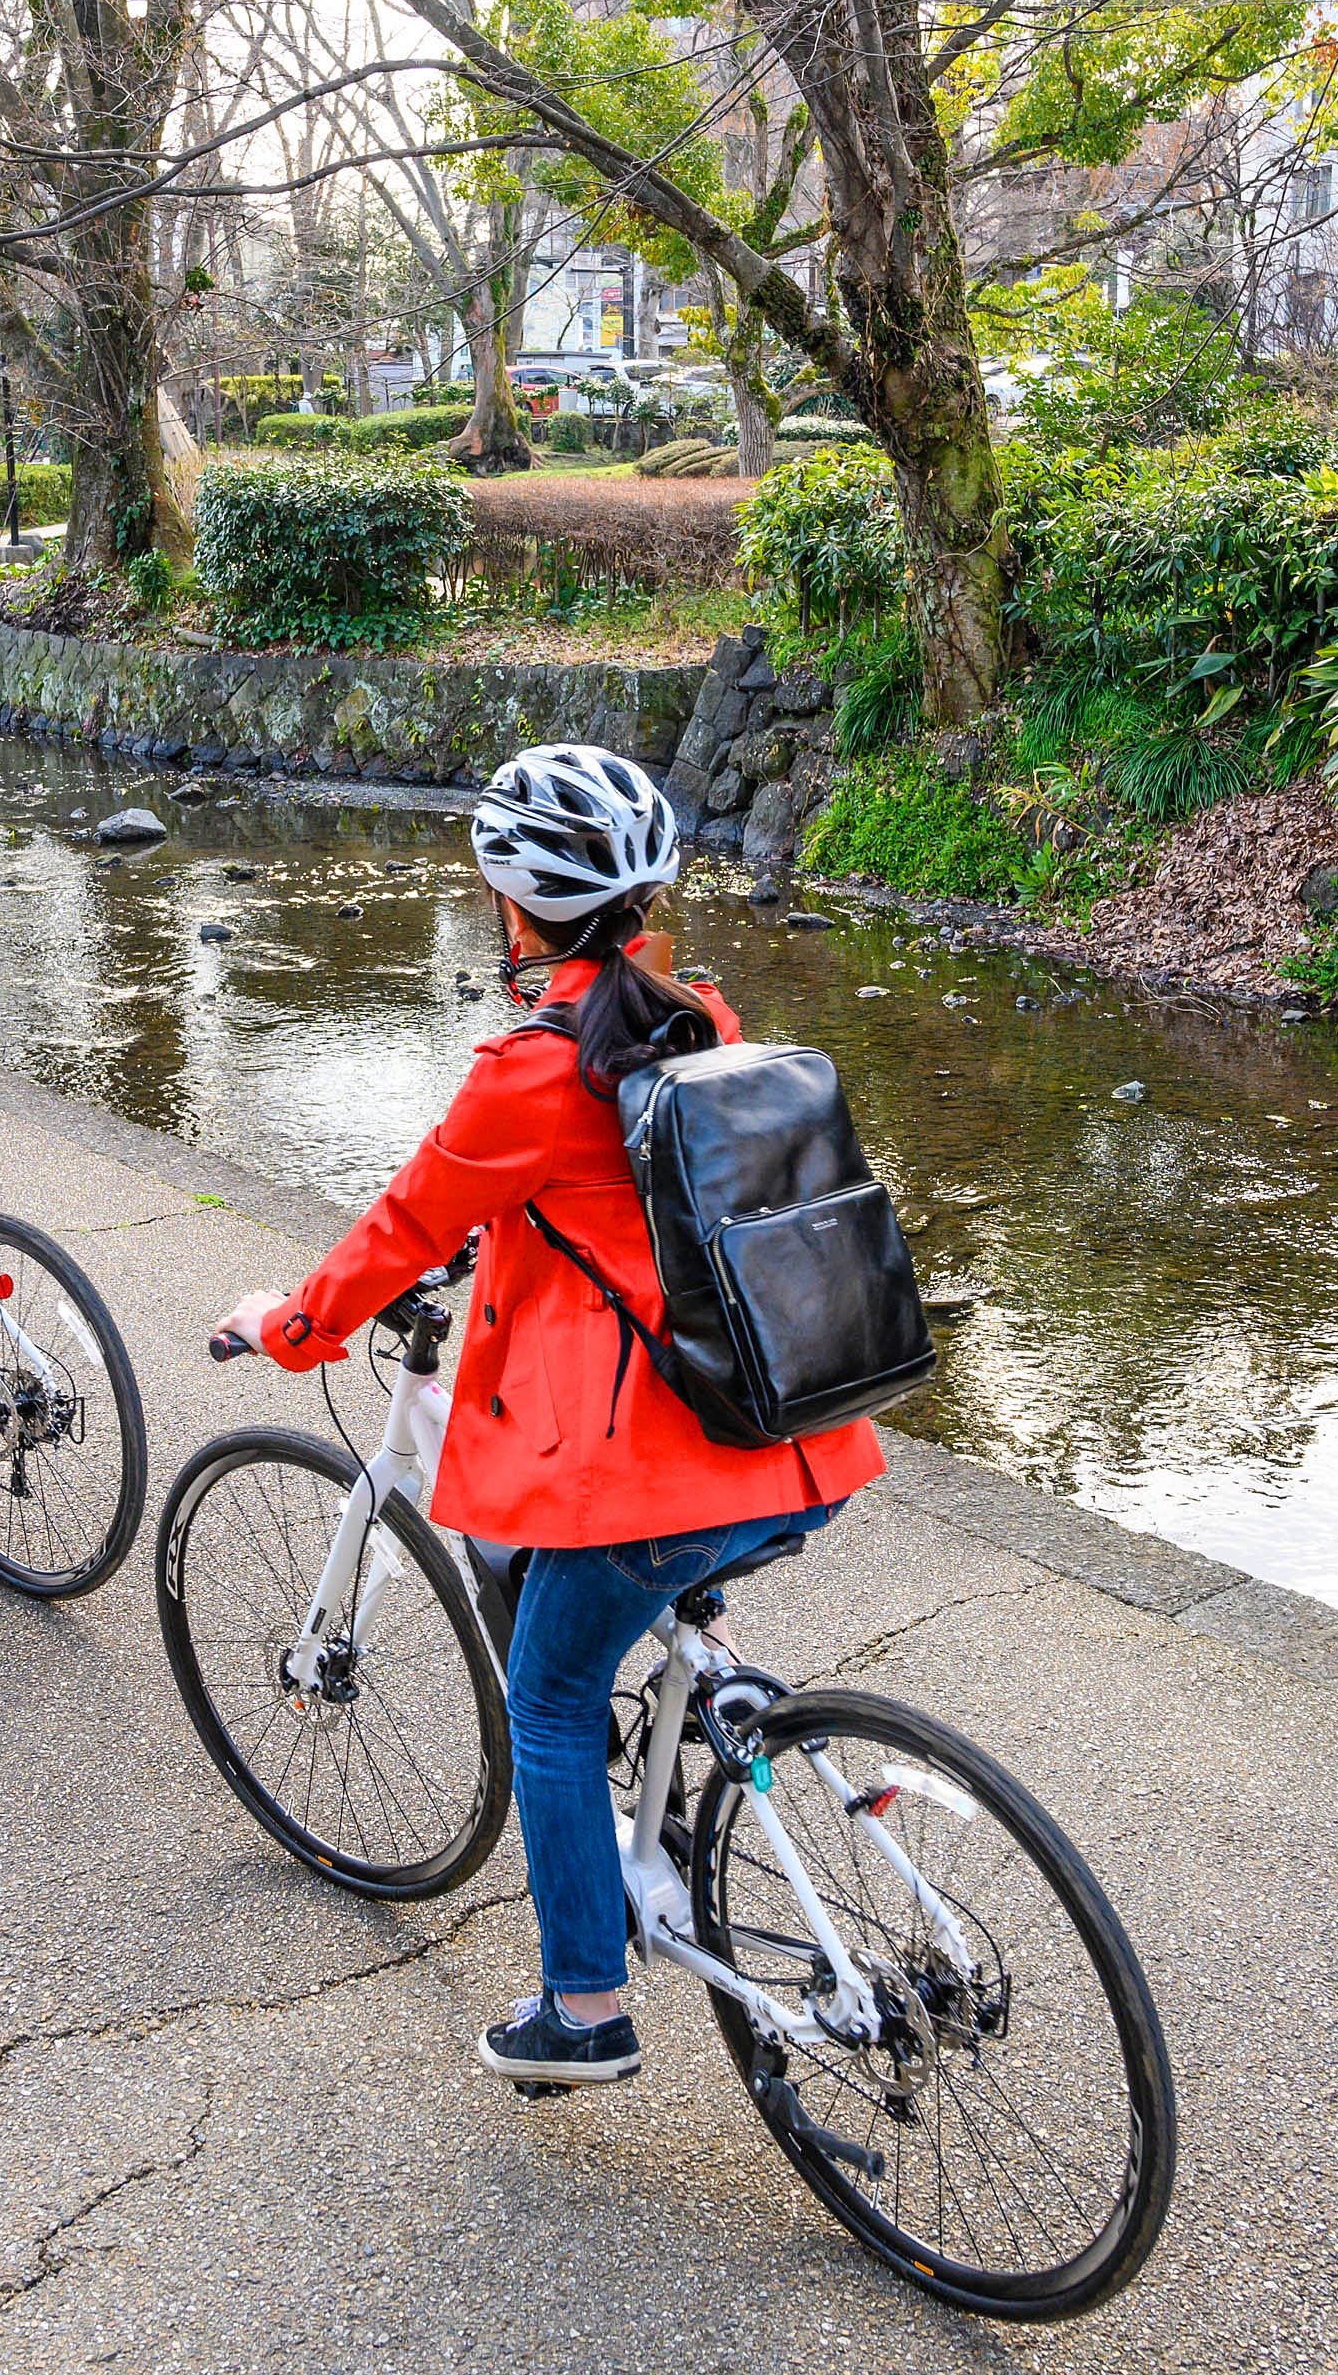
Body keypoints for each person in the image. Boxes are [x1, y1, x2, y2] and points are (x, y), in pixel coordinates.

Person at [213, 745, 886, 2091]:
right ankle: (710, 1674)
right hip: (793, 1432)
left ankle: (583, 2009)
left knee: (554, 1702)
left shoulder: (533, 1067)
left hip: (654, 1467)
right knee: (632, 1594)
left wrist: (288, 1326)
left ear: (512, 909)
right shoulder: (703, 1016)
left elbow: (405, 1226)